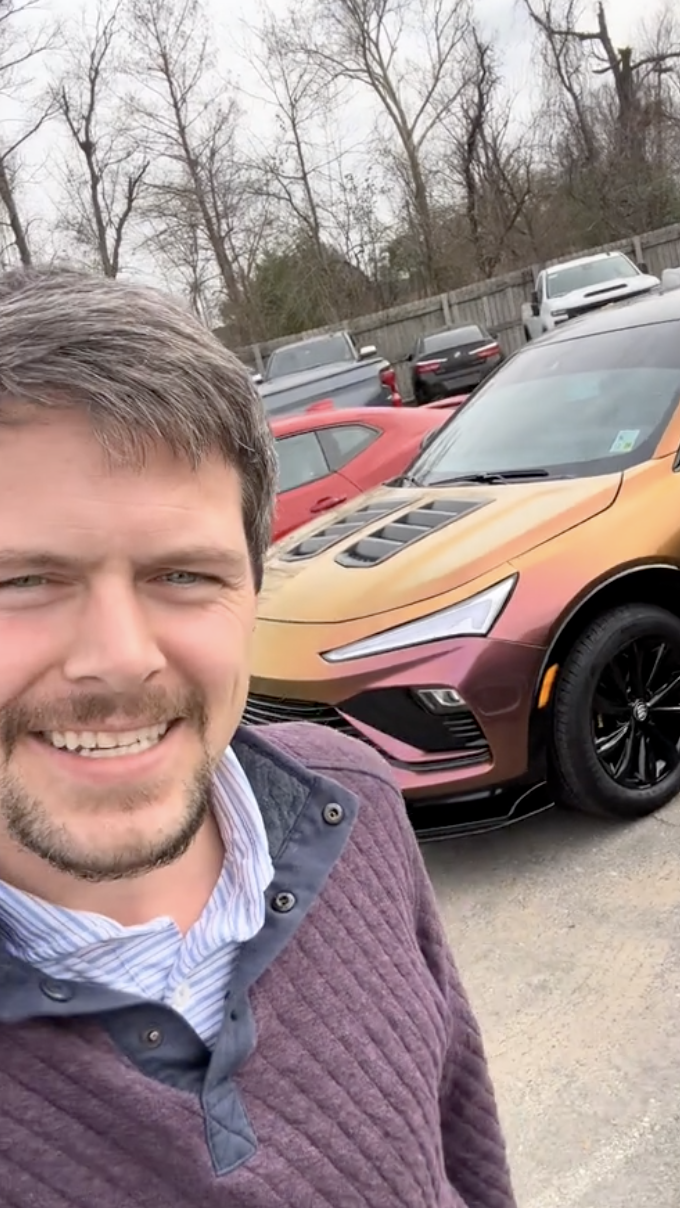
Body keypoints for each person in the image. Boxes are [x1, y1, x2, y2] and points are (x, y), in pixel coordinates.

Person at [0, 265, 516, 1208]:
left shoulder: (351, 799)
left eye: (184, 576)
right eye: (23, 581)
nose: (120, 661)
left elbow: (462, 1137)